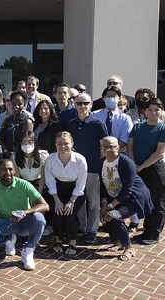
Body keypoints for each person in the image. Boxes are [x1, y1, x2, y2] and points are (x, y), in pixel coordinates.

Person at [0, 159, 49, 270]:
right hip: (5, 222)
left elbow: (45, 206)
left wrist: (24, 212)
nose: (7, 172)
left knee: (39, 218)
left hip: (23, 222)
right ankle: (8, 238)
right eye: (4, 170)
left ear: (14, 171)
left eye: (10, 169)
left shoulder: (24, 184)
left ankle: (28, 250)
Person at [98, 137, 153, 260]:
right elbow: (102, 185)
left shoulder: (126, 163)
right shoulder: (101, 162)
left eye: (111, 147)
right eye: (104, 147)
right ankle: (118, 242)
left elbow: (127, 189)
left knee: (114, 215)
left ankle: (129, 247)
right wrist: (104, 205)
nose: (107, 150)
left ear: (118, 147)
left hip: (134, 197)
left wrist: (110, 206)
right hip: (117, 196)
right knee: (105, 216)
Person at [66, 92, 108, 244]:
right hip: (75, 170)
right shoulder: (71, 124)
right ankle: (83, 228)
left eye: (86, 103)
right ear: (74, 104)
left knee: (94, 202)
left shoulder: (98, 124)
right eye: (79, 103)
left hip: (93, 169)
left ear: (91, 104)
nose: (82, 106)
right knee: (80, 202)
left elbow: (104, 147)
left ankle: (92, 230)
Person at [128, 98, 165, 245]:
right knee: (145, 201)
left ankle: (153, 233)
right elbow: (130, 146)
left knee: (157, 202)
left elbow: (160, 152)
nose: (153, 112)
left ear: (161, 111)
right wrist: (132, 163)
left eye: (157, 109)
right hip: (137, 167)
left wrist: (142, 166)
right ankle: (145, 231)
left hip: (154, 169)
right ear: (145, 111)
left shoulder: (162, 128)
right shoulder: (138, 126)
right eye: (150, 109)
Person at [44, 131, 87, 255]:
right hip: (56, 190)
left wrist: (71, 201)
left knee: (70, 215)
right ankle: (58, 241)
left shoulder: (80, 160)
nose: (63, 147)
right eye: (59, 144)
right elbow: (50, 181)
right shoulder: (51, 159)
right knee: (57, 214)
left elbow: (81, 183)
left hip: (75, 191)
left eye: (66, 143)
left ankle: (72, 242)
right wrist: (57, 200)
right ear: (55, 145)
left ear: (72, 144)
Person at [93, 86, 133, 153]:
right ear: (103, 98)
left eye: (113, 96)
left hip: (118, 153)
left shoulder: (125, 118)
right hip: (97, 153)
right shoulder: (95, 115)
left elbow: (124, 139)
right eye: (108, 96)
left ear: (119, 98)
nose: (110, 98)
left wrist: (112, 152)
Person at [0, 90, 33, 157]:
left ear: (24, 104)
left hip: (21, 156)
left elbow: (25, 141)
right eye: (13, 103)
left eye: (19, 104)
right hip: (6, 155)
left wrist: (13, 154)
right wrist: (5, 151)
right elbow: (0, 139)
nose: (16, 106)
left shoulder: (27, 121)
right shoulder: (7, 120)